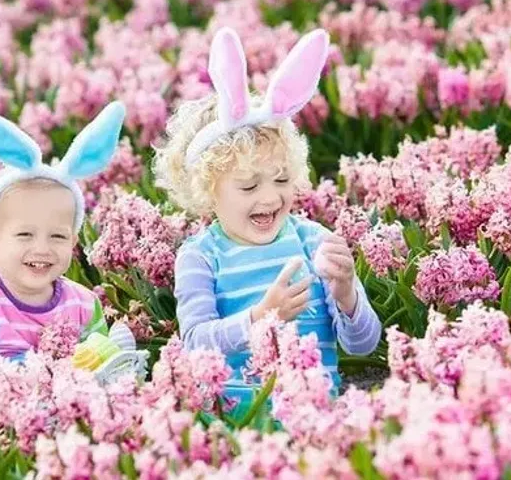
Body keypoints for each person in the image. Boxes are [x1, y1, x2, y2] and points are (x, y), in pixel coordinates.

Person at [154, 26, 382, 416]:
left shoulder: (313, 241)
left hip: (315, 413)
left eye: (281, 179)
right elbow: (194, 343)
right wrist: (260, 317)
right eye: (248, 186)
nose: (269, 197)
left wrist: (346, 294)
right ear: (208, 192)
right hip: (236, 418)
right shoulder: (199, 256)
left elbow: (362, 345)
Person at [0, 101, 127, 364]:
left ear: (73, 242)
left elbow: (101, 372)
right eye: (25, 235)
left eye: (58, 236)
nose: (42, 248)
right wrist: (42, 365)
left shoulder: (85, 305)